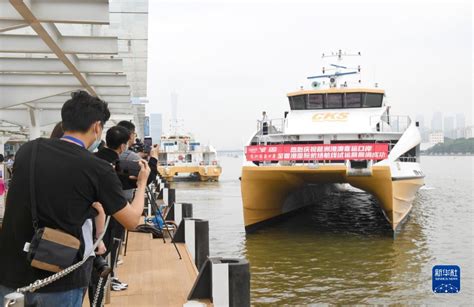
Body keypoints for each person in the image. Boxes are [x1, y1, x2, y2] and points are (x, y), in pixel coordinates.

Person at [0, 90, 150, 306]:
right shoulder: (97, 168)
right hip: (59, 279)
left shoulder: (28, 151)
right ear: (97, 127)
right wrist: (142, 183)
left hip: (11, 276)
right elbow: (132, 220)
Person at [91, 125, 132, 296]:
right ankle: (102, 291)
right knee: (105, 255)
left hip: (87, 222)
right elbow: (133, 220)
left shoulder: (92, 159)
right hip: (107, 220)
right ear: (123, 146)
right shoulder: (111, 166)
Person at [116, 121, 159, 201]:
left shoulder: (106, 154)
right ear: (130, 136)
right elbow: (148, 177)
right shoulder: (130, 156)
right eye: (134, 134)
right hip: (123, 203)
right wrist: (154, 157)